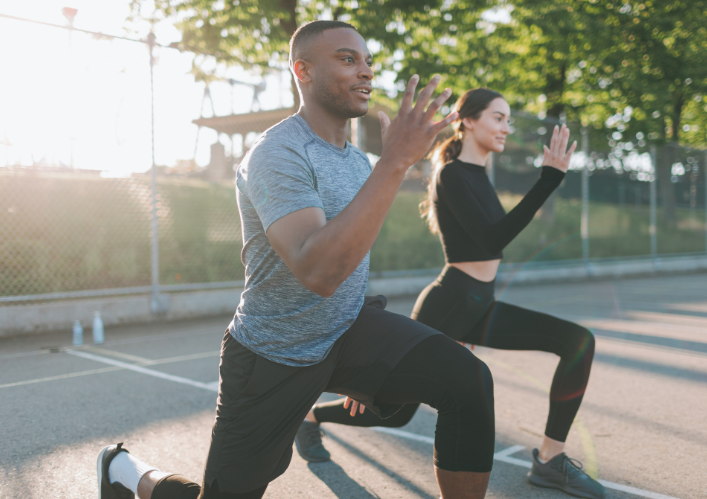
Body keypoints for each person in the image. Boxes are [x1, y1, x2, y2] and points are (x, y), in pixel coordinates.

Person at [96, 21, 499, 499]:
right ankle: (125, 471)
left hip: (347, 332)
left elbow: (350, 257)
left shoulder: (355, 161)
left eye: (368, 61)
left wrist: (370, 361)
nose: (365, 71)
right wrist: (395, 163)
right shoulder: (276, 153)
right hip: (273, 354)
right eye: (348, 59)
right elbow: (318, 271)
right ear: (302, 70)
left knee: (468, 381)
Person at [296, 88, 606, 499]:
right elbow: (492, 239)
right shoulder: (452, 174)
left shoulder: (478, 176)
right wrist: (548, 180)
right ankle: (311, 417)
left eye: (508, 119)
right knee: (394, 413)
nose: (506, 128)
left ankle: (550, 460)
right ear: (469, 120)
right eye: (498, 117)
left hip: (482, 304)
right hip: (449, 304)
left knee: (578, 342)